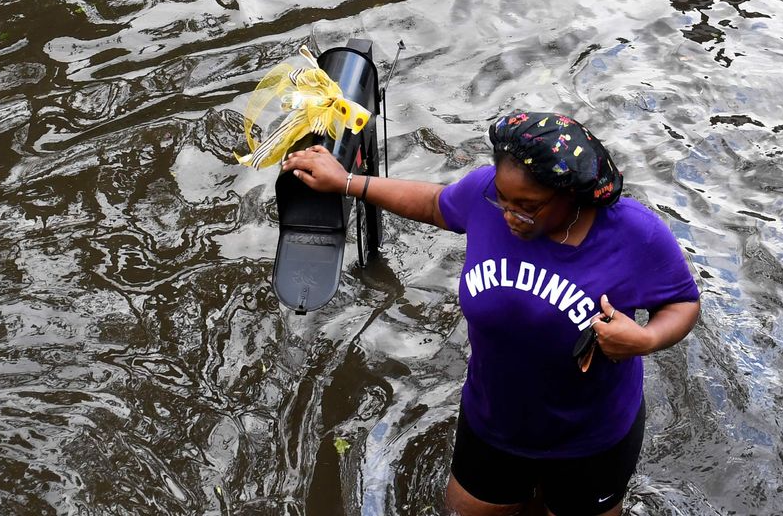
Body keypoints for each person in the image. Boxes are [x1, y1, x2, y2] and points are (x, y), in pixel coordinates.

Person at [282, 111, 701, 516]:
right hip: (494, 421)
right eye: (502, 199)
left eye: (529, 205)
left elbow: (683, 302)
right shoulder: (487, 198)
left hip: (590, 440)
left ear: (572, 195)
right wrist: (348, 181)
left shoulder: (634, 234)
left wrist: (645, 340)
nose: (510, 214)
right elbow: (433, 203)